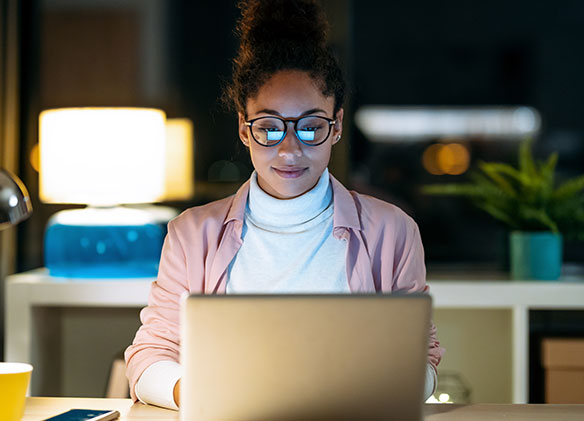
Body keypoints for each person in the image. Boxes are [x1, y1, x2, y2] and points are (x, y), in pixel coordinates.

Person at [125, 0, 443, 410]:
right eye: (270, 128)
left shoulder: (392, 230)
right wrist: (204, 395)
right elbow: (148, 356)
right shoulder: (192, 233)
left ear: (337, 127)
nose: (290, 149)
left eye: (310, 127)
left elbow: (423, 358)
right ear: (244, 128)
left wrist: (373, 395)